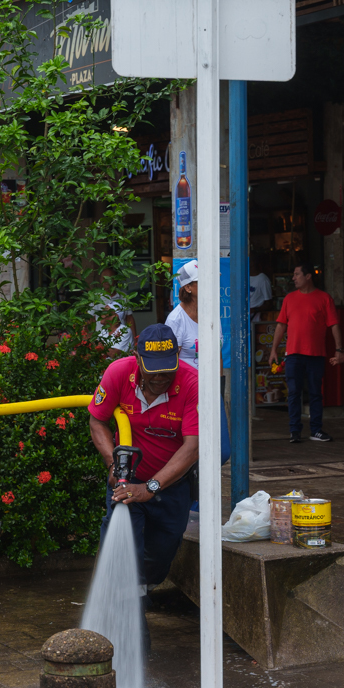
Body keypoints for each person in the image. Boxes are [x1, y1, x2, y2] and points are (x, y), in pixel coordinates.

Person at [87, 324, 200, 643]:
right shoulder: (117, 373)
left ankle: (138, 595)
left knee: (161, 555)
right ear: (137, 358)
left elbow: (192, 447)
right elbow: (97, 419)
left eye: (167, 370)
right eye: (153, 371)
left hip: (171, 487)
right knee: (125, 552)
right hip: (128, 481)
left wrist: (150, 487)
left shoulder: (192, 384)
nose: (161, 378)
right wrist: (113, 463)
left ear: (177, 356)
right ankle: (131, 633)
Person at [266, 262, 342, 443]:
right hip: (293, 354)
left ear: (308, 276)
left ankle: (316, 430)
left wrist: (339, 349)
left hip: (316, 354)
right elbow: (281, 325)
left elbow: (334, 325)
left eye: (297, 274)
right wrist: (273, 350)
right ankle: (295, 431)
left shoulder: (324, 298)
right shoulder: (289, 299)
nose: (293, 278)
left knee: (316, 393)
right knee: (293, 393)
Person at [164, 260, 200, 370]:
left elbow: (219, 356)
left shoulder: (212, 314)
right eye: (202, 281)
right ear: (188, 288)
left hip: (212, 385)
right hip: (187, 384)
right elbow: (170, 361)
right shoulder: (175, 320)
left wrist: (220, 384)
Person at [92, 293, 137, 359]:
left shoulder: (124, 331)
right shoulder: (103, 332)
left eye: (105, 311)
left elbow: (114, 354)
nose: (102, 314)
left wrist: (100, 346)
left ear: (115, 316)